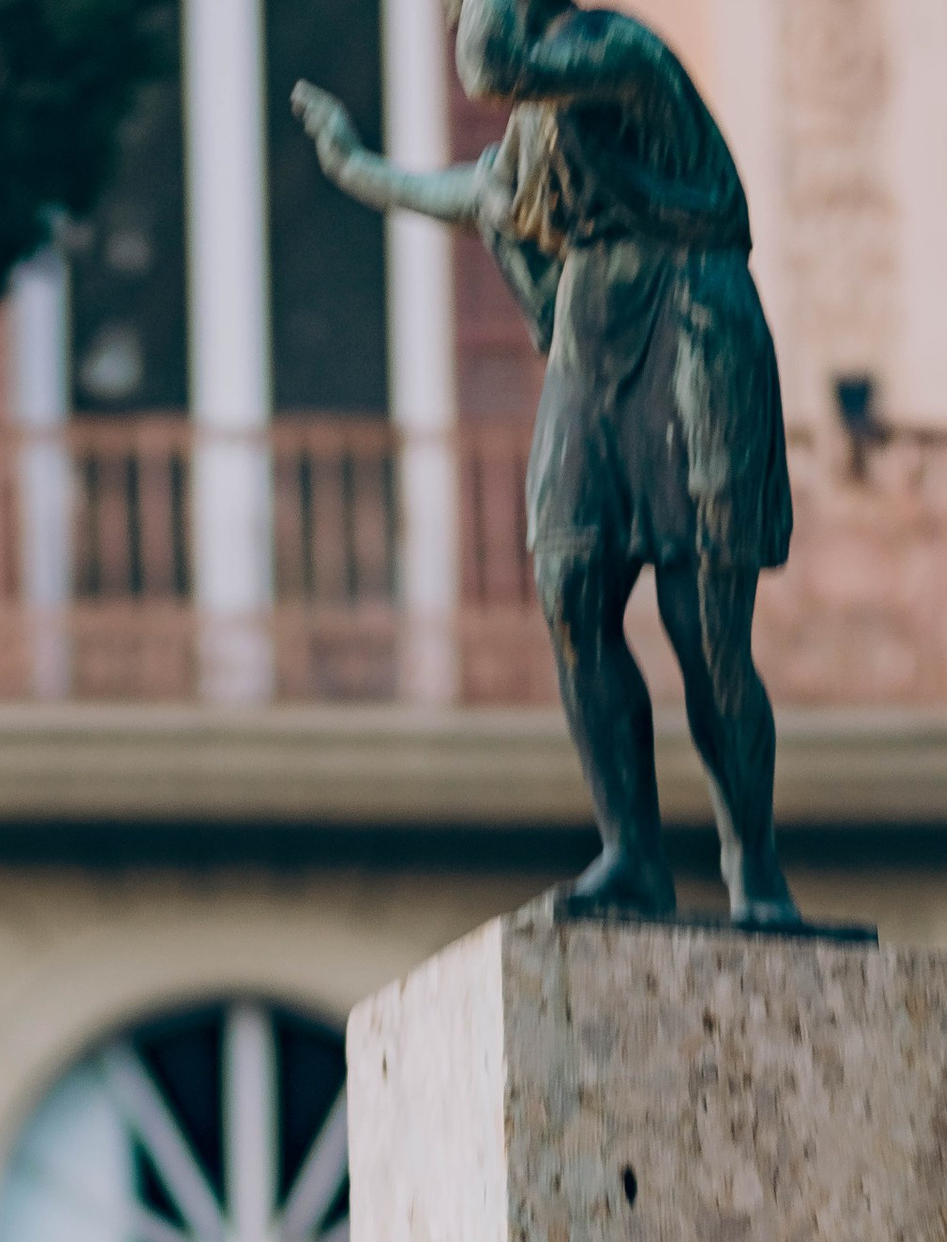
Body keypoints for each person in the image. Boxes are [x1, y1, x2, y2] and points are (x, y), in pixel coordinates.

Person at [294, 0, 801, 926]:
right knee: (571, 588)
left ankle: (755, 871)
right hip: (592, 341)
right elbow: (483, 195)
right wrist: (355, 167)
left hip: (690, 320)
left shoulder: (615, 53)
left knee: (704, 629)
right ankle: (632, 858)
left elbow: (489, 66)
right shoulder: (537, 116)